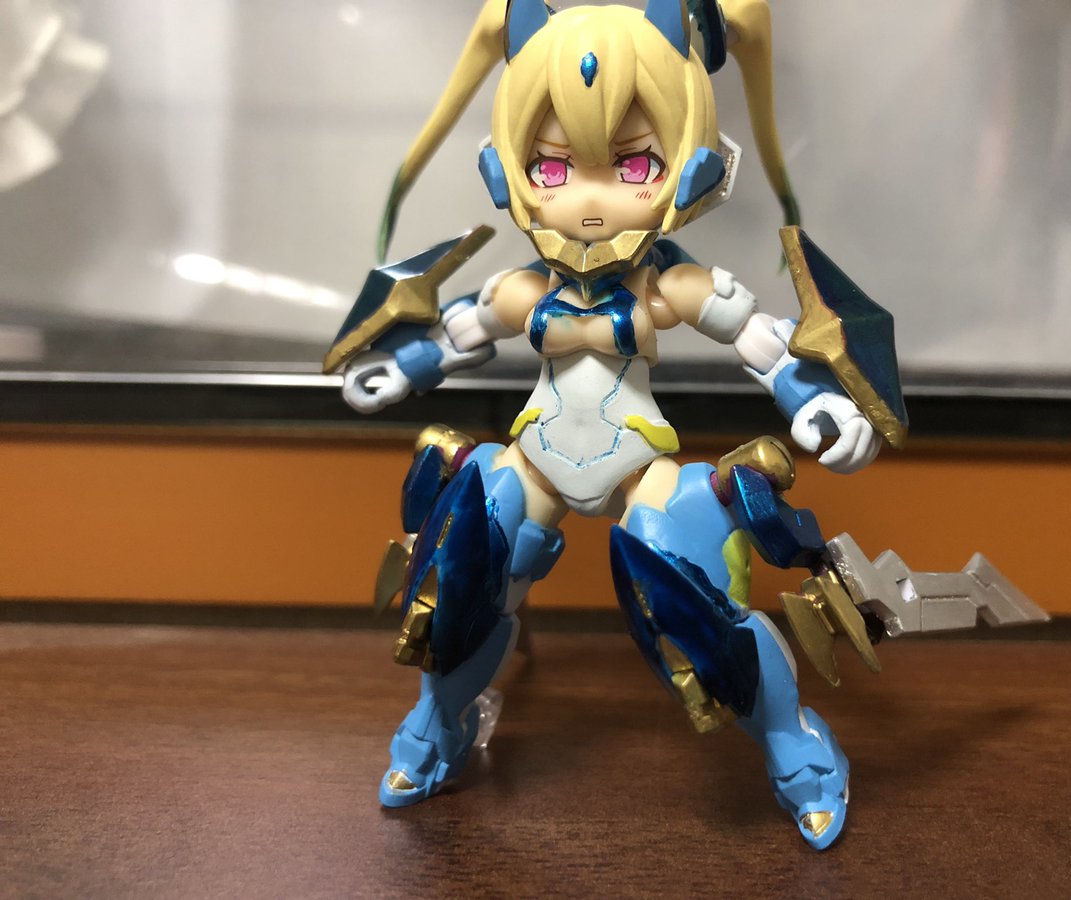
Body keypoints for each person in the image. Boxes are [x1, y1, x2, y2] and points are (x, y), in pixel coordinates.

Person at [333, 0, 905, 851]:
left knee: (684, 580)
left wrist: (821, 405)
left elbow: (766, 346)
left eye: (634, 164)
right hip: (537, 456)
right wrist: (396, 367)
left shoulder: (671, 287)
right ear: (510, 167)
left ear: (691, 164)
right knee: (469, 556)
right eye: (554, 167)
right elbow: (455, 333)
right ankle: (440, 721)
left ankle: (795, 745)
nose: (591, 197)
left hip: (638, 463)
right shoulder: (522, 290)